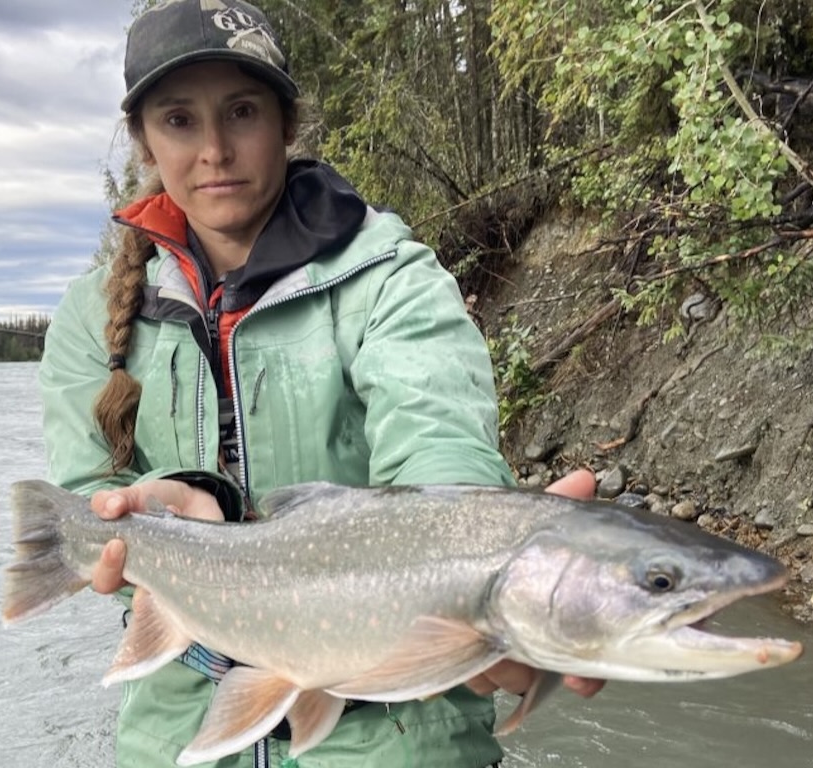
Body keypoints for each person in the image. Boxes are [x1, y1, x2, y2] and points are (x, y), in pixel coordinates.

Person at [38, 1, 602, 766]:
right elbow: (87, 487)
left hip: (400, 732)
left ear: (285, 122)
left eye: (242, 111)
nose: (214, 150)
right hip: (176, 729)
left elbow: (440, 445)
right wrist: (173, 505)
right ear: (144, 139)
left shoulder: (392, 277)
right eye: (179, 120)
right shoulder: (89, 311)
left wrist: (484, 568)